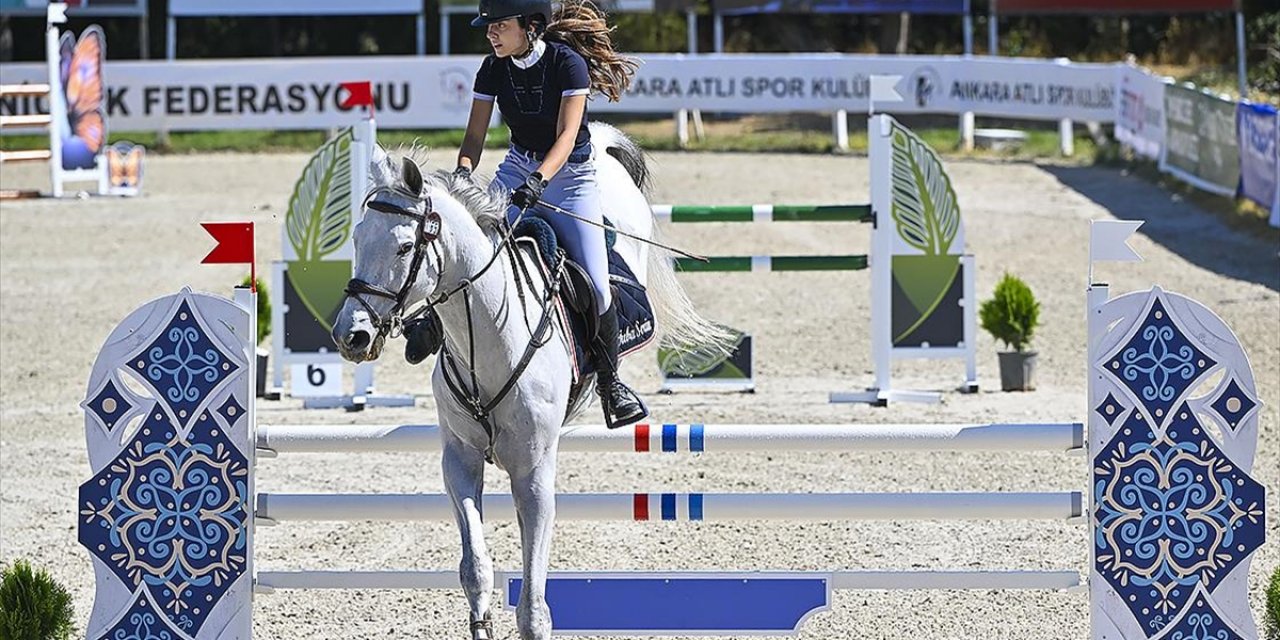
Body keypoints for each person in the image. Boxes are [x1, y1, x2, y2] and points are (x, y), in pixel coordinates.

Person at [404, 0, 647, 429]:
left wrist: (539, 181)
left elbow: (568, 136)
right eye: (488, 27)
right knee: (469, 244)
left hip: (570, 176)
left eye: (499, 25)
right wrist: (463, 173)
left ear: (531, 26)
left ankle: (612, 385)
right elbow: (474, 135)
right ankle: (434, 322)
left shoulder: (566, 64)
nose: (490, 34)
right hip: (517, 165)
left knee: (594, 282)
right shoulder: (492, 68)